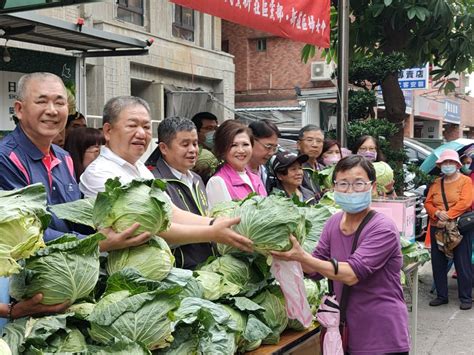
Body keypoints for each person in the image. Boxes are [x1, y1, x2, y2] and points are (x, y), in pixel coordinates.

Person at [272, 155, 410, 354]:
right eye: (343, 184)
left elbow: (351, 274)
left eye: (359, 183)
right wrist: (287, 252)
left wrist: (302, 257)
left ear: (372, 187)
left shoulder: (383, 227)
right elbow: (315, 267)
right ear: (334, 188)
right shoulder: (333, 222)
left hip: (381, 333)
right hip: (345, 329)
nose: (350, 190)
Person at [80, 96, 253, 251]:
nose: (141, 133)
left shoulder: (140, 169)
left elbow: (170, 212)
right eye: (132, 125)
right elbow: (148, 226)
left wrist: (214, 223)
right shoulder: (100, 172)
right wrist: (211, 232)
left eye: (147, 127)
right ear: (108, 131)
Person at [151, 116, 215, 269]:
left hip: (208, 267)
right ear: (163, 148)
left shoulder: (197, 179)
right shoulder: (156, 182)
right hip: (181, 271)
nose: (193, 150)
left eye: (195, 143)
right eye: (185, 144)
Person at [424, 149, 473, 310]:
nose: (448, 165)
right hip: (437, 226)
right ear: (440, 165)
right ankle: (441, 295)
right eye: (445, 162)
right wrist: (437, 213)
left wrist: (448, 216)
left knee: (462, 262)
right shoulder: (436, 182)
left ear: (457, 165)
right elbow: (428, 202)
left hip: (458, 227)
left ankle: (465, 297)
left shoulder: (465, 181)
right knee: (438, 261)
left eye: (451, 162)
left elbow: (466, 202)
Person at [206, 120, 267, 209]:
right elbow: (221, 220)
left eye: (245, 144)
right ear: (222, 149)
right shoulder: (217, 182)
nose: (241, 150)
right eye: (234, 145)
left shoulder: (256, 178)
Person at [248, 119, 280, 192]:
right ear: (251, 140)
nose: (271, 153)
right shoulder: (237, 172)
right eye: (268, 147)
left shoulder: (266, 171)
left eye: (274, 148)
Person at [191, 112, 219, 184]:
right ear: (196, 132)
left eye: (215, 128)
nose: (214, 132)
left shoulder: (220, 152)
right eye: (209, 128)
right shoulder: (194, 155)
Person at [296, 125, 324, 197]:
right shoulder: (293, 169)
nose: (315, 145)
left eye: (319, 141)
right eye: (309, 140)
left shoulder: (324, 169)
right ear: (298, 145)